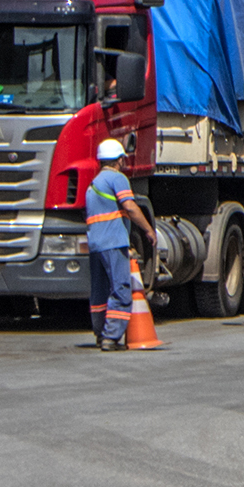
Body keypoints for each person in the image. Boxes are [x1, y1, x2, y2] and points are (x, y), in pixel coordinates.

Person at [84, 137, 156, 350]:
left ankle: (100, 334)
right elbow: (131, 207)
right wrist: (148, 229)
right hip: (113, 242)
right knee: (121, 288)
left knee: (99, 292)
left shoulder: (93, 183)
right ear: (118, 160)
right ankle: (112, 337)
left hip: (95, 244)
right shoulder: (117, 179)